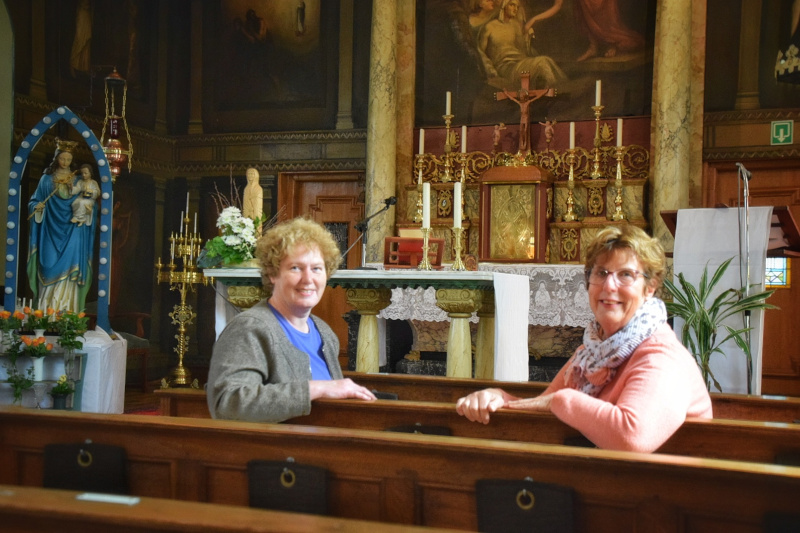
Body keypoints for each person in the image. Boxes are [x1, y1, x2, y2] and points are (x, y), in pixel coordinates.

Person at [456, 225, 712, 452]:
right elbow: (544, 409)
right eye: (600, 273)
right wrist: (499, 399)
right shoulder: (593, 350)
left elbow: (631, 437)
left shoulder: (661, 355)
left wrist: (561, 400)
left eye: (625, 275)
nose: (609, 286)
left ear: (650, 287)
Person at [207, 217, 376, 423]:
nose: (308, 279)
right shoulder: (249, 328)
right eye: (295, 268)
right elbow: (228, 404)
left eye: (316, 269)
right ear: (273, 274)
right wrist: (316, 388)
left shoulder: (324, 332)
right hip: (276, 452)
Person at [27, 139, 96, 313]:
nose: (65, 163)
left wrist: (87, 208)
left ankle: (67, 313)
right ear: (56, 158)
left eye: (68, 160)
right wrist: (37, 206)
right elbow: (35, 200)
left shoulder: (79, 180)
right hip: (50, 229)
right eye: (62, 159)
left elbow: (91, 200)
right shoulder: (46, 179)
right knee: (48, 264)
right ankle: (46, 312)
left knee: (71, 268)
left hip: (74, 229)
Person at [477, 0, 565, 89]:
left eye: (517, 7)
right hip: (506, 68)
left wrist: (527, 37)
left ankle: (562, 88)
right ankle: (559, 91)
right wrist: (491, 70)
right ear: (504, 6)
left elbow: (524, 50)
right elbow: (480, 52)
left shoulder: (515, 26)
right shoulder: (490, 27)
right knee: (542, 62)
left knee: (548, 60)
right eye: (512, 5)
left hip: (520, 63)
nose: (515, 9)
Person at [242, 167, 264, 234]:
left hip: (256, 214)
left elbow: (258, 205)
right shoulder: (246, 189)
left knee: (256, 233)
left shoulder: (258, 189)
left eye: (252, 174)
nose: (250, 176)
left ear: (256, 176)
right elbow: (245, 204)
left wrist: (255, 218)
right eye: (248, 174)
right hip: (247, 214)